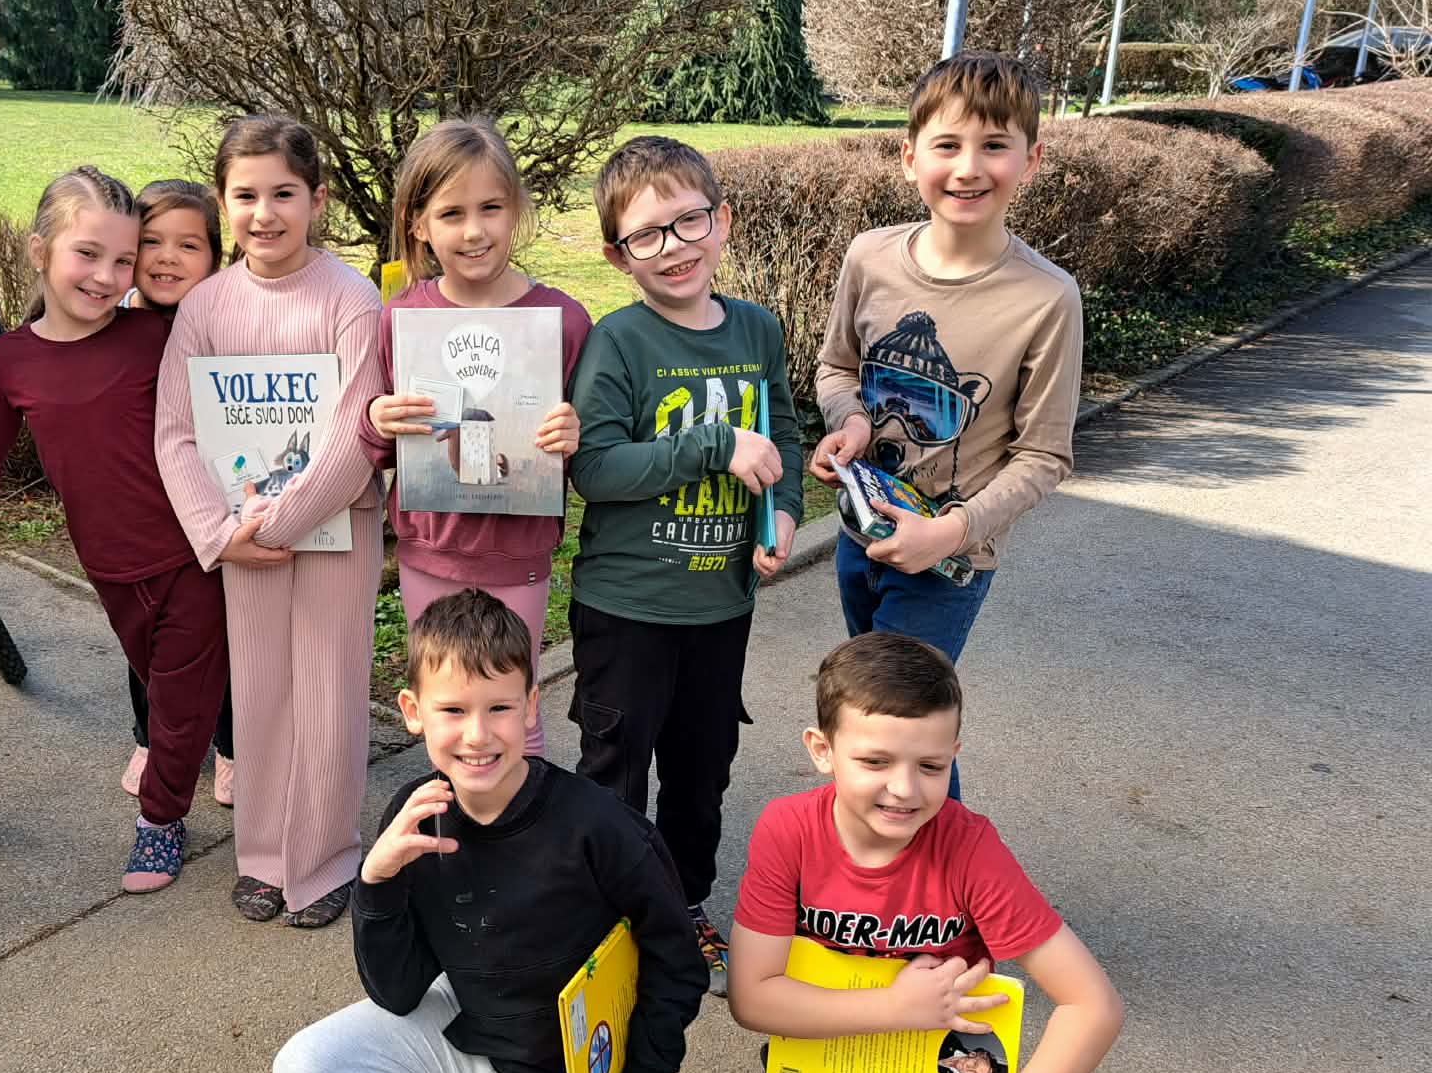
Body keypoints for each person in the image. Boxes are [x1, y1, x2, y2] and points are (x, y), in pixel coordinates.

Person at [272, 589, 707, 1073]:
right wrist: (376, 881)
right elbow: (397, 993)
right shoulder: (417, 814)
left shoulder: (600, 829)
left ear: (531, 706)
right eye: (452, 710)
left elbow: (678, 964)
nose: (477, 735)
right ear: (413, 711)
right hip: (465, 1029)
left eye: (499, 707)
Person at [727, 632, 1123, 1073]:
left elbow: (1093, 1004)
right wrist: (895, 1007)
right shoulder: (788, 830)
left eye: (931, 766)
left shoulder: (970, 849)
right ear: (821, 750)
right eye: (875, 760)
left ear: (954, 755)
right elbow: (752, 996)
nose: (904, 789)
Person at [810, 50, 1083, 800]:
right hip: (862, 533)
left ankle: (940, 867)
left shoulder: (1046, 298)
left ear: (1031, 160)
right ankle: (896, 860)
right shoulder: (871, 257)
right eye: (947, 145)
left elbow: (1044, 454)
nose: (968, 168)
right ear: (909, 158)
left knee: (898, 721)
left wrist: (951, 532)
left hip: (950, 561)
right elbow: (836, 368)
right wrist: (849, 422)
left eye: (994, 145)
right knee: (883, 715)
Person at [566, 135, 803, 994]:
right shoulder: (619, 342)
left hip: (719, 609)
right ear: (617, 256)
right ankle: (600, 918)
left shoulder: (757, 330)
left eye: (688, 222)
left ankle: (682, 903)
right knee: (616, 772)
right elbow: (595, 468)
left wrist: (783, 514)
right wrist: (710, 445)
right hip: (627, 607)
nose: (672, 247)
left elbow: (783, 435)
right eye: (646, 235)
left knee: (701, 774)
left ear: (722, 220)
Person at [0, 167, 228, 893]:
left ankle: (160, 821)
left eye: (122, 260)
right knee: (164, 688)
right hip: (107, 568)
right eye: (88, 254)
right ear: (38, 250)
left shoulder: (156, 335)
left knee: (177, 705)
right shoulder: (10, 360)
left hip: (195, 554)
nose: (107, 277)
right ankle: (226, 751)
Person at [153, 114, 384, 928]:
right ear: (223, 203)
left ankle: (323, 857)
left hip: (332, 531)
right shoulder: (206, 306)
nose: (264, 213)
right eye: (245, 196)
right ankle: (262, 854)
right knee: (258, 694)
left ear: (317, 199)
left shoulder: (352, 299)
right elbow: (175, 432)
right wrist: (222, 537)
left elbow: (356, 434)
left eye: (283, 193)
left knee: (328, 690)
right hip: (243, 542)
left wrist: (274, 525)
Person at [359, 118, 591, 757]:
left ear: (515, 208)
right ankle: (454, 821)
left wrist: (576, 434)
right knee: (447, 713)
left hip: (518, 555)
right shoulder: (401, 319)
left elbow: (590, 453)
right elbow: (375, 446)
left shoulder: (564, 322)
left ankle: (523, 822)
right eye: (451, 213)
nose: (473, 231)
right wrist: (378, 419)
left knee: (516, 712)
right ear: (418, 224)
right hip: (429, 552)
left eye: (491, 207)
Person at [115, 178, 238, 809]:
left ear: (215, 256)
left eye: (189, 245)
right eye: (151, 242)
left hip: (218, 505)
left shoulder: (227, 320)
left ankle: (232, 745)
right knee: (149, 639)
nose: (167, 258)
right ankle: (150, 739)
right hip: (145, 517)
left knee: (226, 637)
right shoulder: (109, 322)